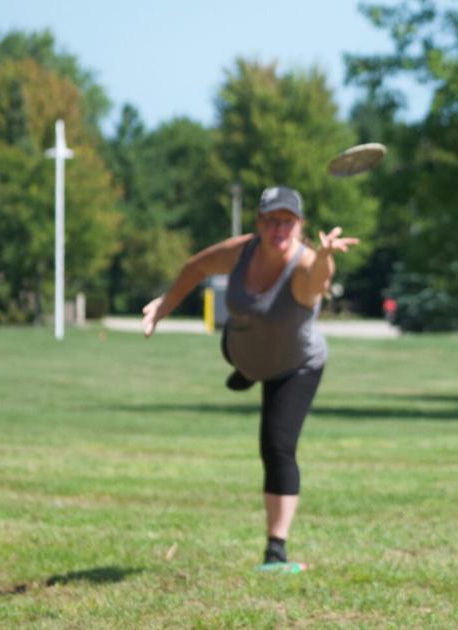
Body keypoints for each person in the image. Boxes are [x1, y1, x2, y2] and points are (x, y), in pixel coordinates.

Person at [141, 186, 358, 571]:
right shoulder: (241, 251)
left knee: (276, 447)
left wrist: (326, 257)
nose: (279, 229)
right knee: (240, 347)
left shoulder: (306, 263)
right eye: (271, 220)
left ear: (300, 225)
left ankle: (276, 550)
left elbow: (317, 283)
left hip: (295, 366)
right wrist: (163, 306)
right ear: (259, 222)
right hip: (244, 349)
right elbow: (195, 266)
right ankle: (247, 371)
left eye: (287, 221)